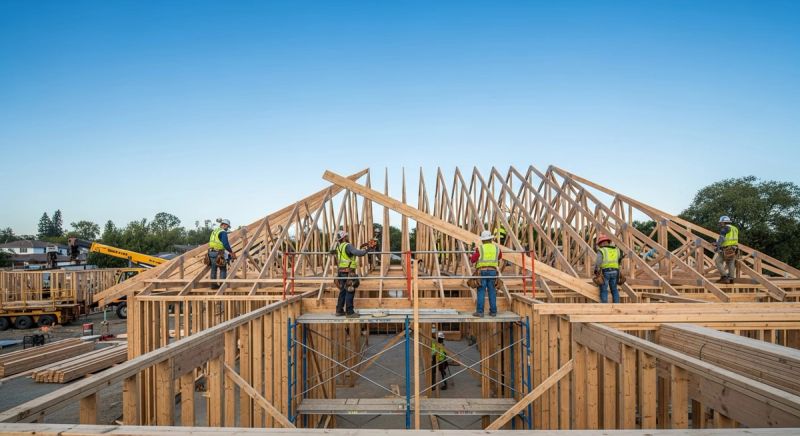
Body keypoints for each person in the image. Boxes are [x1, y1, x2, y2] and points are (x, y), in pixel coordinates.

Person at [331, 230, 372, 317]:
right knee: (350, 290)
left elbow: (336, 253)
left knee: (342, 291)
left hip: (341, 272)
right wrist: (367, 249)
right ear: (344, 237)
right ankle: (350, 312)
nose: (347, 237)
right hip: (349, 272)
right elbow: (358, 253)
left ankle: (339, 310)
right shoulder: (347, 245)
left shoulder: (339, 246)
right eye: (346, 236)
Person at [470, 230, 502, 317]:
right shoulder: (496, 248)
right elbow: (499, 257)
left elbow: (473, 260)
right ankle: (493, 311)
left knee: (481, 291)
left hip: (482, 272)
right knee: (492, 291)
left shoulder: (479, 248)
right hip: (492, 272)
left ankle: (480, 312)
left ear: (483, 240)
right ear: (491, 239)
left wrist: (472, 255)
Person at [594, 234, 624, 303]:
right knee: (614, 289)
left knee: (604, 290)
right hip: (615, 272)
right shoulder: (616, 250)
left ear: (601, 243)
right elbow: (619, 260)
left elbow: (598, 261)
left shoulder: (601, 250)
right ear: (608, 242)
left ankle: (605, 307)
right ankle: (617, 306)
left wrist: (596, 270)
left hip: (606, 271)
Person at [208, 219, 237, 288]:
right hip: (219, 253)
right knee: (223, 268)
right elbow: (225, 244)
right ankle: (222, 286)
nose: (227, 229)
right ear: (224, 225)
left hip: (211, 252)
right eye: (227, 227)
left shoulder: (214, 231)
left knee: (213, 269)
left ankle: (213, 285)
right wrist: (231, 252)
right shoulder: (223, 232)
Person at [714, 215, 739, 284]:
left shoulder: (725, 228)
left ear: (723, 222)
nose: (720, 224)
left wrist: (717, 246)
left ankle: (724, 277)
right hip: (734, 248)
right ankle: (731, 279)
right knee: (731, 262)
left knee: (718, 261)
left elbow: (722, 239)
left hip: (727, 248)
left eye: (721, 222)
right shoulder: (735, 228)